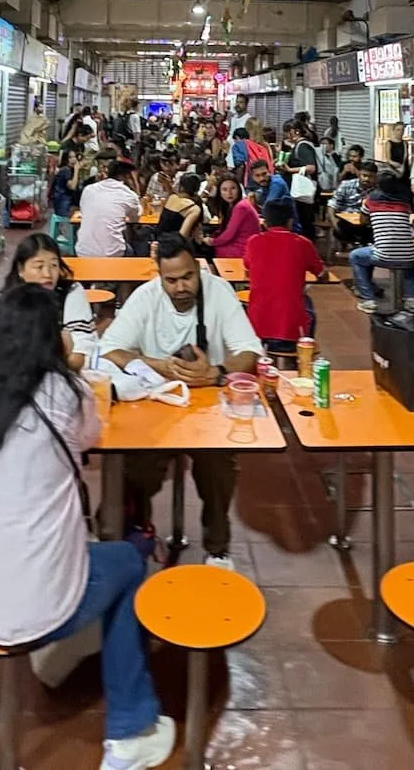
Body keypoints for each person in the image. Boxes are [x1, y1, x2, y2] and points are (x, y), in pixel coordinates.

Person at [0, 284, 175, 770]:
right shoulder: (63, 395)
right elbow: (91, 435)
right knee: (126, 565)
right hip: (37, 607)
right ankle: (130, 729)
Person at [101, 235, 264, 567]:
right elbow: (110, 348)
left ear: (199, 269)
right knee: (134, 472)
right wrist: (159, 365)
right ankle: (138, 534)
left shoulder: (218, 292)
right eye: (171, 280)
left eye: (188, 277)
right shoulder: (146, 297)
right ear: (158, 275)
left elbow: (249, 352)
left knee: (219, 472)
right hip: (156, 409)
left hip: (209, 409)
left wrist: (215, 372)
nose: (180, 288)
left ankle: (218, 549)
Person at [6, 232, 96, 368]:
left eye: (54, 265)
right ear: (21, 269)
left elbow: (80, 352)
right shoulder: (8, 297)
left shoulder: (71, 292)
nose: (47, 274)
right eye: (39, 266)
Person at [242, 198, 320, 353]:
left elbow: (247, 266)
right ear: (290, 222)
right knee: (308, 305)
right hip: (293, 333)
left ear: (264, 222)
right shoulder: (303, 243)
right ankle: (299, 362)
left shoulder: (253, 242)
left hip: (256, 332)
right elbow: (321, 272)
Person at [349, 171, 414, 313]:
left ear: (377, 184)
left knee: (355, 256)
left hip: (383, 255)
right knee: (408, 259)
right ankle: (411, 300)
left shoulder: (371, 199)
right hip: (409, 254)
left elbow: (363, 220)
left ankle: (368, 300)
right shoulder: (404, 200)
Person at [76, 159, 143, 258]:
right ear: (126, 177)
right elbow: (135, 219)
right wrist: (136, 186)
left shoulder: (88, 189)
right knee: (132, 250)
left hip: (82, 251)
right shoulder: (128, 195)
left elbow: (84, 212)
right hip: (112, 254)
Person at [207, 174, 262, 258]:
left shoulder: (241, 207)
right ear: (219, 192)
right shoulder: (235, 205)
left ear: (239, 189)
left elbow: (228, 235)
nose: (229, 193)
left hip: (242, 250)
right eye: (224, 189)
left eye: (233, 188)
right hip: (241, 246)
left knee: (208, 249)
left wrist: (211, 241)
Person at [153, 172, 205, 249]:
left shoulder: (171, 198)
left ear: (181, 187)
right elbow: (182, 236)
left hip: (158, 243)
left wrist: (168, 184)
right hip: (175, 248)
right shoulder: (194, 208)